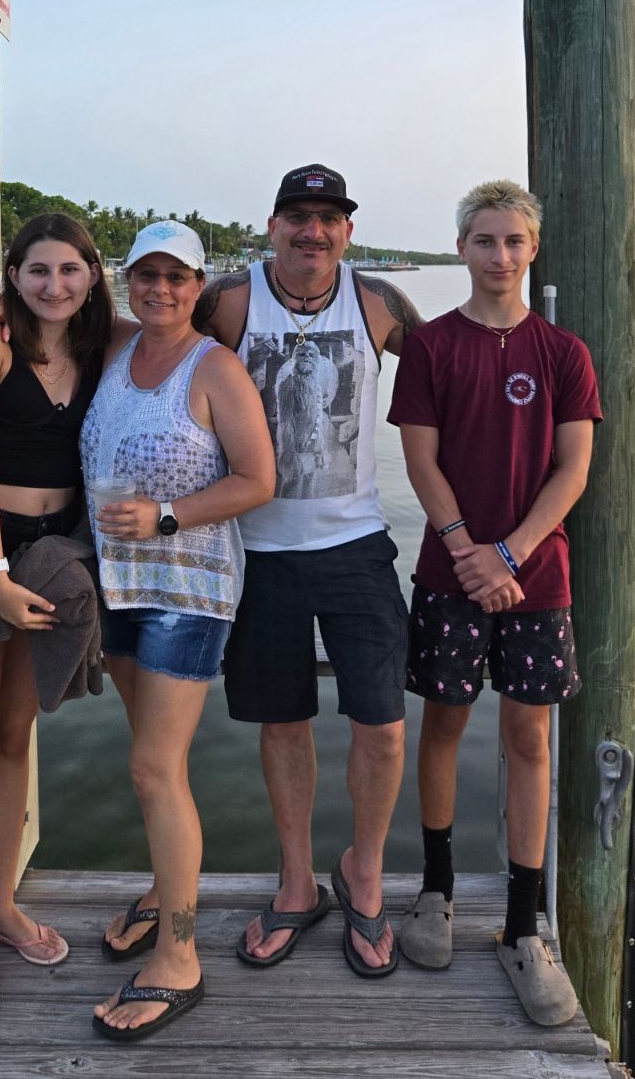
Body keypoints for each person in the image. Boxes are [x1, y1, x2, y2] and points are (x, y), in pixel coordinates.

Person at [194, 165, 422, 978]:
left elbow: (448, 374)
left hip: (356, 542)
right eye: (299, 216)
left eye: (329, 218)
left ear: (348, 232)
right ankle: (297, 881)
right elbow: (140, 341)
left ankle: (363, 869)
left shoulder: (378, 303)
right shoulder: (227, 300)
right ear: (273, 225)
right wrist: (2, 314)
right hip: (254, 546)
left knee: (383, 724)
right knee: (281, 720)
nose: (313, 231)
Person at [387, 179, 600, 1026]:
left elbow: (571, 470)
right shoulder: (434, 347)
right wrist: (467, 550)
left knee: (529, 739)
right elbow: (421, 463)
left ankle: (521, 923)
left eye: (514, 241)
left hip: (536, 580)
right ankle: (435, 888)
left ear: (532, 248)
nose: (499, 256)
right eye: (483, 240)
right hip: (450, 573)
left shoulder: (564, 353)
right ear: (462, 249)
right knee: (442, 723)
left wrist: (509, 554)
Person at [83, 221, 276, 1041]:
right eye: (147, 274)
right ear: (128, 279)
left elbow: (258, 479)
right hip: (117, 586)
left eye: (178, 277)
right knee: (151, 762)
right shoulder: (118, 352)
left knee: (154, 768)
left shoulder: (214, 366)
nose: (161, 288)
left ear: (201, 286)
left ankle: (180, 956)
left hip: (186, 591)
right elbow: (48, 309)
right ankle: (168, 890)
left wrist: (166, 516)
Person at [0, 212, 121, 1014]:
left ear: (93, 274)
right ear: (13, 275)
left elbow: (178, 312)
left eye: (70, 270)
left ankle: (2, 904)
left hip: (52, 552)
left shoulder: (98, 342)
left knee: (16, 741)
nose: (54, 286)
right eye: (36, 271)